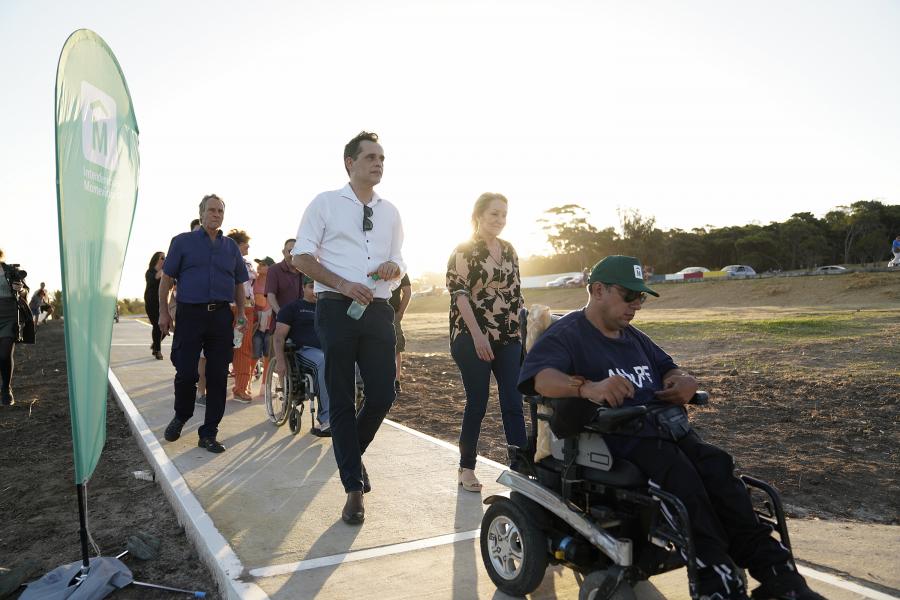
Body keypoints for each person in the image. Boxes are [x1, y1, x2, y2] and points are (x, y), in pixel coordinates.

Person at [518, 255, 824, 600]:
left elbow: (670, 368)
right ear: (598, 290)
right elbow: (541, 378)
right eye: (628, 296)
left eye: (641, 298)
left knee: (722, 474)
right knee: (683, 485)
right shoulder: (568, 334)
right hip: (617, 439)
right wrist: (588, 388)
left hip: (668, 430)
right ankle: (717, 584)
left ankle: (779, 577)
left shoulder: (633, 337)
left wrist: (684, 381)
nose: (636, 305)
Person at [292, 130, 405, 525]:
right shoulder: (325, 204)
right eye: (371, 156)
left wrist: (394, 268)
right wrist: (341, 283)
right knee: (340, 398)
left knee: (382, 393)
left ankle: (350, 458)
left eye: (382, 158)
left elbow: (398, 259)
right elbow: (300, 256)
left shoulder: (390, 211)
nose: (378, 163)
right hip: (336, 308)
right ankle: (354, 489)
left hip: (377, 309)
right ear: (350, 163)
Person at [446, 192, 527, 493]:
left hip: (507, 335)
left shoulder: (509, 250)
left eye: (504, 214)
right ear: (479, 215)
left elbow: (517, 295)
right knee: (477, 402)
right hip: (471, 335)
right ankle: (466, 467)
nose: (500, 220)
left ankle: (520, 468)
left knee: (512, 400)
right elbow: (460, 296)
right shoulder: (464, 251)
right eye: (494, 214)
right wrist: (479, 336)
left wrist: (523, 331)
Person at [158, 194, 249, 453]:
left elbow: (238, 283)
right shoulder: (182, 243)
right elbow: (166, 280)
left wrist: (240, 313)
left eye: (220, 211)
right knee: (186, 372)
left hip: (220, 316)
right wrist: (164, 313)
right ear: (201, 213)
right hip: (190, 315)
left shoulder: (230, 247)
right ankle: (182, 414)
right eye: (211, 210)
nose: (216, 214)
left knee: (218, 376)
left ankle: (209, 433)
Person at [273, 276, 330, 436]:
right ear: (303, 288)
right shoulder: (293, 308)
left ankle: (346, 416)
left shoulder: (327, 308)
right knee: (324, 362)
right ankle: (326, 419)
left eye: (318, 287)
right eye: (312, 286)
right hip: (304, 351)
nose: (315, 291)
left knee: (350, 364)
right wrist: (280, 361)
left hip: (328, 350)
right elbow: (278, 337)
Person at [0, 250, 34, 406]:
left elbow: (26, 290)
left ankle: (6, 389)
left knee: (5, 353)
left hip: (9, 315)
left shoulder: (10, 270)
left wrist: (20, 289)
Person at [227, 229, 256, 403]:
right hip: (228, 308)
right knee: (220, 348)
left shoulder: (248, 264)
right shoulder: (224, 262)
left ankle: (241, 388)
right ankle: (208, 386)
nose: (249, 246)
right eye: (245, 243)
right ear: (236, 245)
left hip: (247, 309)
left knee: (243, 349)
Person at [252, 256, 275, 394]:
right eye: (259, 264)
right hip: (254, 323)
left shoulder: (274, 281)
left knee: (268, 356)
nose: (259, 266)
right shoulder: (252, 279)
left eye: (263, 264)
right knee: (252, 355)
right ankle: (245, 383)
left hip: (269, 325)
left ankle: (264, 387)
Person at [266, 238, 303, 317]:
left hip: (301, 321)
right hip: (281, 322)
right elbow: (271, 295)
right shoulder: (274, 269)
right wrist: (281, 315)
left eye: (297, 252)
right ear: (283, 252)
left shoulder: (305, 271)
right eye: (290, 251)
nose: (294, 255)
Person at [389, 273, 411, 393]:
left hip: (393, 313)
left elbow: (407, 292)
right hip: (373, 311)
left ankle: (396, 380)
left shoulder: (400, 269)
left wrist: (400, 312)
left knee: (396, 347)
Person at [144, 252, 166, 360]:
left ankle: (155, 344)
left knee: (165, 327)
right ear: (156, 259)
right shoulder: (150, 272)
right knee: (157, 326)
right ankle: (157, 350)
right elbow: (155, 277)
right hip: (151, 302)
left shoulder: (164, 273)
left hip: (162, 302)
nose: (164, 259)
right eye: (162, 258)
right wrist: (166, 268)